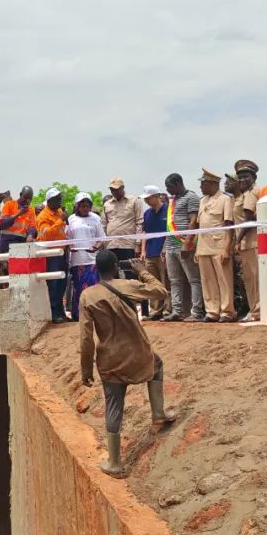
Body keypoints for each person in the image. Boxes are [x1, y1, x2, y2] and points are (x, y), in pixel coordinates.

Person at [79, 251, 176, 476]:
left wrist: (86, 369)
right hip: (138, 353)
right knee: (157, 365)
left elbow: (86, 338)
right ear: (115, 267)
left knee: (114, 405)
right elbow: (161, 292)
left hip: (109, 360)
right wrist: (143, 271)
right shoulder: (128, 285)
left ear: (96, 269)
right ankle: (159, 413)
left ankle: (115, 462)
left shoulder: (87, 296)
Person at [161, 173, 204, 322]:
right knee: (174, 280)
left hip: (185, 245)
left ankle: (197, 312)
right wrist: (164, 247)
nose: (168, 190)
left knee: (194, 279)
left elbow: (193, 221)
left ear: (178, 183)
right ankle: (177, 311)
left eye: (169, 187)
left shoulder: (191, 197)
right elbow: (169, 225)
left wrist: (187, 243)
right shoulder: (173, 200)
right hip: (171, 246)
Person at [195, 169, 236, 322]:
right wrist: (197, 248)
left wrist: (227, 248)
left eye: (203, 183)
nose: (200, 187)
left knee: (224, 280)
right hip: (204, 246)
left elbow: (228, 226)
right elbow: (201, 226)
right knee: (207, 281)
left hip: (219, 246)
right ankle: (212, 311)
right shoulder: (202, 201)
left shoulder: (225, 199)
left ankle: (227, 311)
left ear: (212, 183)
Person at [67, 192, 106, 321]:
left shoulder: (95, 218)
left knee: (93, 288)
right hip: (77, 260)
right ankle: (78, 315)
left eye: (87, 205)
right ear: (77, 206)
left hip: (92, 260)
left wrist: (97, 247)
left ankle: (93, 314)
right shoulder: (71, 219)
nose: (85, 208)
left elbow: (102, 238)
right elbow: (67, 239)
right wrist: (70, 247)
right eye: (82, 205)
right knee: (79, 288)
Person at [36, 188, 69, 323]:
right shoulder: (42, 216)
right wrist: (60, 221)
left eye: (60, 198)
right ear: (50, 201)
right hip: (50, 255)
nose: (60, 201)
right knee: (53, 285)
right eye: (57, 199)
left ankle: (61, 312)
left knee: (62, 283)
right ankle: (54, 314)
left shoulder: (59, 212)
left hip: (61, 253)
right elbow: (47, 234)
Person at [234, 160, 260, 322]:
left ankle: (257, 310)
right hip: (246, 244)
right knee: (249, 279)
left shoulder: (252, 192)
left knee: (255, 279)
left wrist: (237, 240)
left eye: (246, 176)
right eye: (240, 177)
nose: (243, 179)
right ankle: (254, 309)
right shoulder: (243, 195)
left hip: (252, 242)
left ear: (254, 177)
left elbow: (249, 218)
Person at [138, 186, 170, 320]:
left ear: (156, 196)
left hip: (163, 251)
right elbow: (145, 233)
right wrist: (143, 250)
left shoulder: (168, 209)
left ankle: (168, 310)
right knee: (153, 283)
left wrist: (165, 247)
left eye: (148, 198)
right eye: (145, 199)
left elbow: (171, 230)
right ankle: (155, 310)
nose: (146, 201)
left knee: (166, 281)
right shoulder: (147, 214)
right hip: (150, 252)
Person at [101, 177, 143, 272]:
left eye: (116, 189)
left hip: (128, 245)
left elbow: (139, 222)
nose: (114, 191)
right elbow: (103, 225)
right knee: (113, 276)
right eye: (112, 189)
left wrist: (138, 243)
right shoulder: (107, 204)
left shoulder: (134, 201)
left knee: (129, 273)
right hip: (111, 245)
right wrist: (103, 245)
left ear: (122, 188)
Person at [0, 186, 38, 251]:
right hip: (7, 243)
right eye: (25, 198)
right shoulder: (9, 205)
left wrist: (30, 235)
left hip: (21, 243)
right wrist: (17, 214)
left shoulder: (31, 210)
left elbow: (32, 226)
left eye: (30, 199)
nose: (27, 201)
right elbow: (1, 225)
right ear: (20, 194)